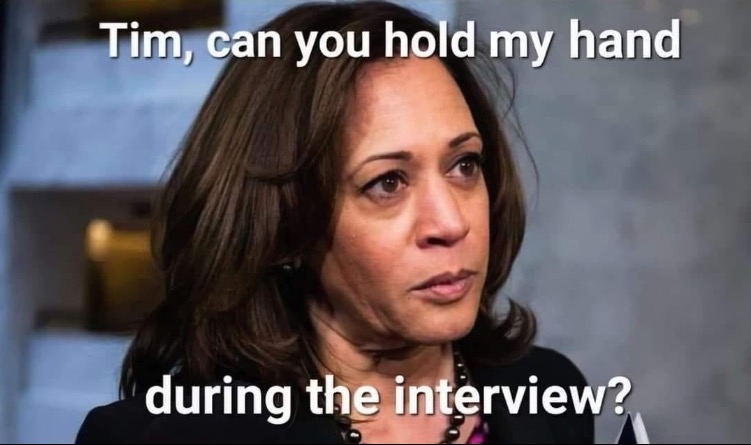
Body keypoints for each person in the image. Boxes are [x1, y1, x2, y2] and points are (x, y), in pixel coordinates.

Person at [76, 1, 594, 443]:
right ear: (283, 227)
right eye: (387, 182)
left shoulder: (552, 393)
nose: (451, 222)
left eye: (464, 165)